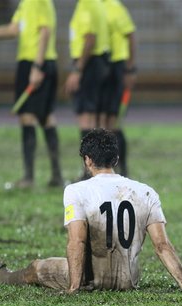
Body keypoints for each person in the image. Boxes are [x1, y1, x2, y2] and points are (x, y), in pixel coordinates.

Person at [0, 128, 182, 293]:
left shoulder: (76, 190)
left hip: (91, 279)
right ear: (116, 159)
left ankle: (1, 275)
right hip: (129, 280)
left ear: (87, 161)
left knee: (35, 268)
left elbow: (77, 241)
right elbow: (162, 245)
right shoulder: (146, 192)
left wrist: (73, 287)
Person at [0, 0, 63, 188]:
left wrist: (37, 67)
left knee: (28, 117)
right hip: (35, 63)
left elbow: (45, 32)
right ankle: (55, 175)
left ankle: (30, 177)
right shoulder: (25, 3)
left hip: (36, 63)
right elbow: (13, 29)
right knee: (45, 117)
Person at [64, 0, 110, 178]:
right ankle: (100, 168)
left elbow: (90, 39)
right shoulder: (97, 4)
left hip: (89, 64)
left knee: (86, 118)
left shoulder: (86, 5)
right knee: (95, 119)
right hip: (99, 62)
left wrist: (77, 69)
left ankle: (89, 171)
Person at [99, 0, 136, 176]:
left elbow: (130, 36)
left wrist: (129, 69)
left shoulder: (115, 7)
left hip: (117, 66)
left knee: (114, 122)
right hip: (104, 66)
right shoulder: (95, 6)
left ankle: (123, 168)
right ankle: (107, 168)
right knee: (104, 122)